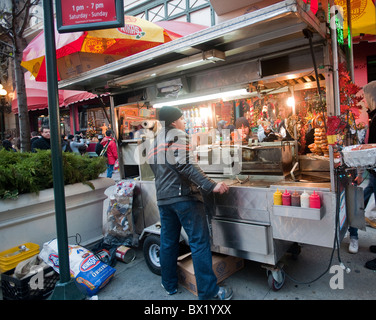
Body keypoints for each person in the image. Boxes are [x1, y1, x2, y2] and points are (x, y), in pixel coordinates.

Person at [147, 106, 233, 300]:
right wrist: (211, 185)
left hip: (164, 198)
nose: (184, 122)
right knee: (199, 243)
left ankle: (168, 284)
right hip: (184, 198)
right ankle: (209, 293)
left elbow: (156, 169)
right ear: (173, 122)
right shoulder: (178, 134)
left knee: (168, 243)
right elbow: (185, 165)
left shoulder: (155, 140)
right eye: (182, 119)